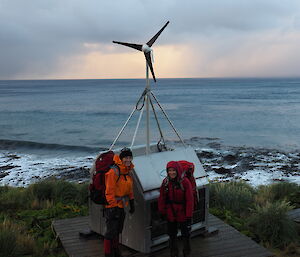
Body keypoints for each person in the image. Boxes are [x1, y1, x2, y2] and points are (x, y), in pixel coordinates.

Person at [104, 147, 135, 257]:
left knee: (117, 230)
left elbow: (129, 189)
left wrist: (132, 202)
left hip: (121, 206)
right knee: (110, 232)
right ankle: (108, 254)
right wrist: (113, 207)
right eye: (126, 157)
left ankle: (116, 251)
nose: (128, 160)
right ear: (121, 159)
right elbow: (109, 191)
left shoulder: (127, 171)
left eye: (130, 157)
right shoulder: (114, 172)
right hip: (112, 207)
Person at [158, 161, 194, 257]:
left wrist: (189, 216)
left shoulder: (185, 182)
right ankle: (174, 254)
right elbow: (162, 198)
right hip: (171, 212)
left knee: (185, 235)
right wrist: (162, 211)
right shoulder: (166, 182)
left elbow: (190, 200)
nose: (172, 173)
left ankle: (186, 253)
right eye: (169, 170)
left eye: (173, 170)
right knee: (172, 235)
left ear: (177, 170)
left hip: (183, 212)